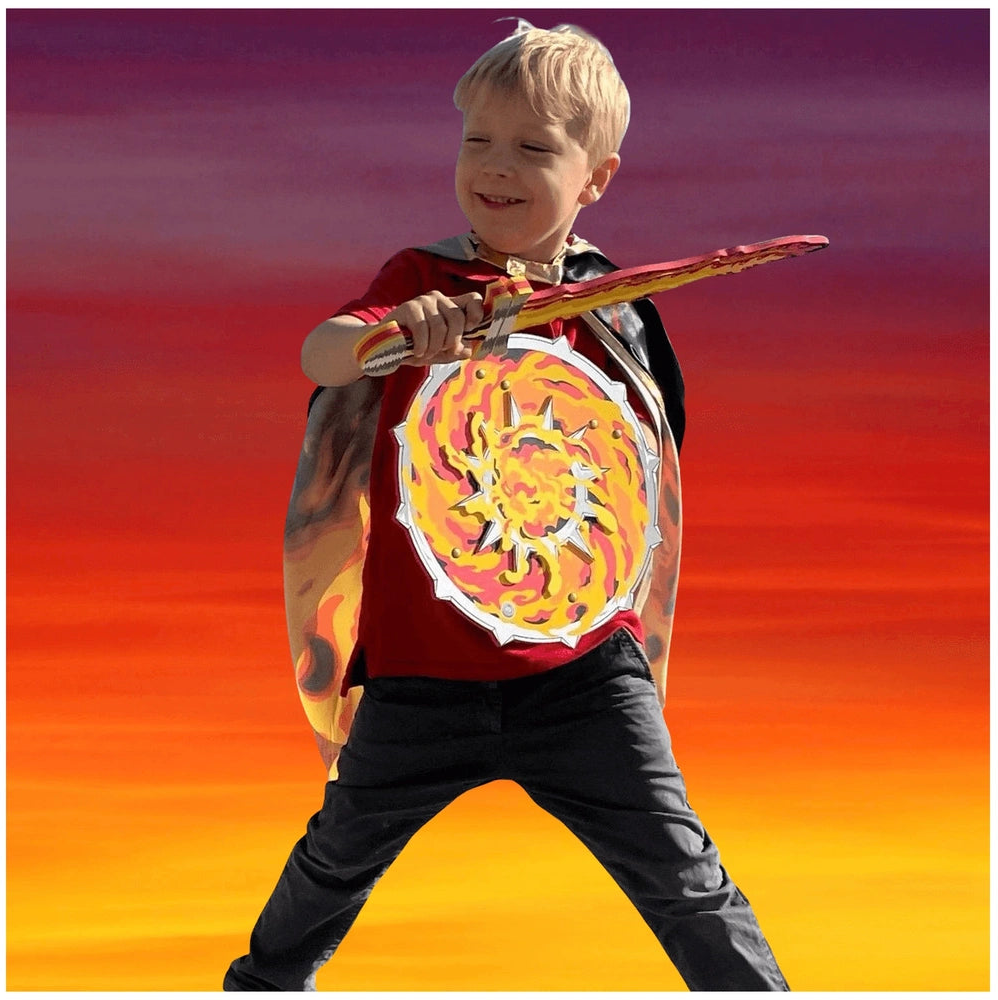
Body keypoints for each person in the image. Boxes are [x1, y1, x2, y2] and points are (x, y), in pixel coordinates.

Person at [224, 21, 789, 992]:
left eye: (532, 147)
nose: (495, 165)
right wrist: (397, 336)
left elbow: (649, 471)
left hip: (584, 676)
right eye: (477, 139)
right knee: (334, 860)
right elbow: (323, 352)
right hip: (421, 675)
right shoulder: (422, 282)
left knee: (685, 880)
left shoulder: (615, 308)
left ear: (596, 177)